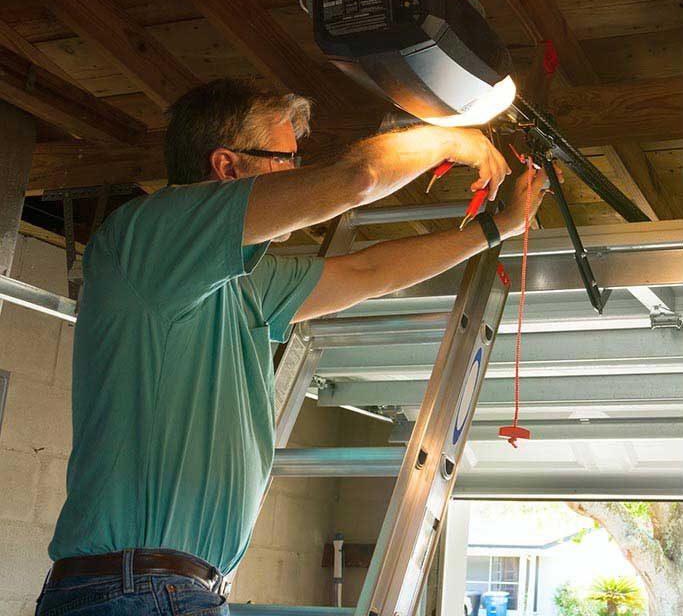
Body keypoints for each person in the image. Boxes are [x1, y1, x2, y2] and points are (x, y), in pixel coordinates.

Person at [36, 79, 549, 616]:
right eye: (285, 159)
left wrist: (496, 229)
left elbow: (369, 271)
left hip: (165, 589)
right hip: (137, 588)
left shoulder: (244, 285)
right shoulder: (146, 238)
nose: (296, 175)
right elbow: (357, 177)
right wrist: (454, 140)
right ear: (227, 167)